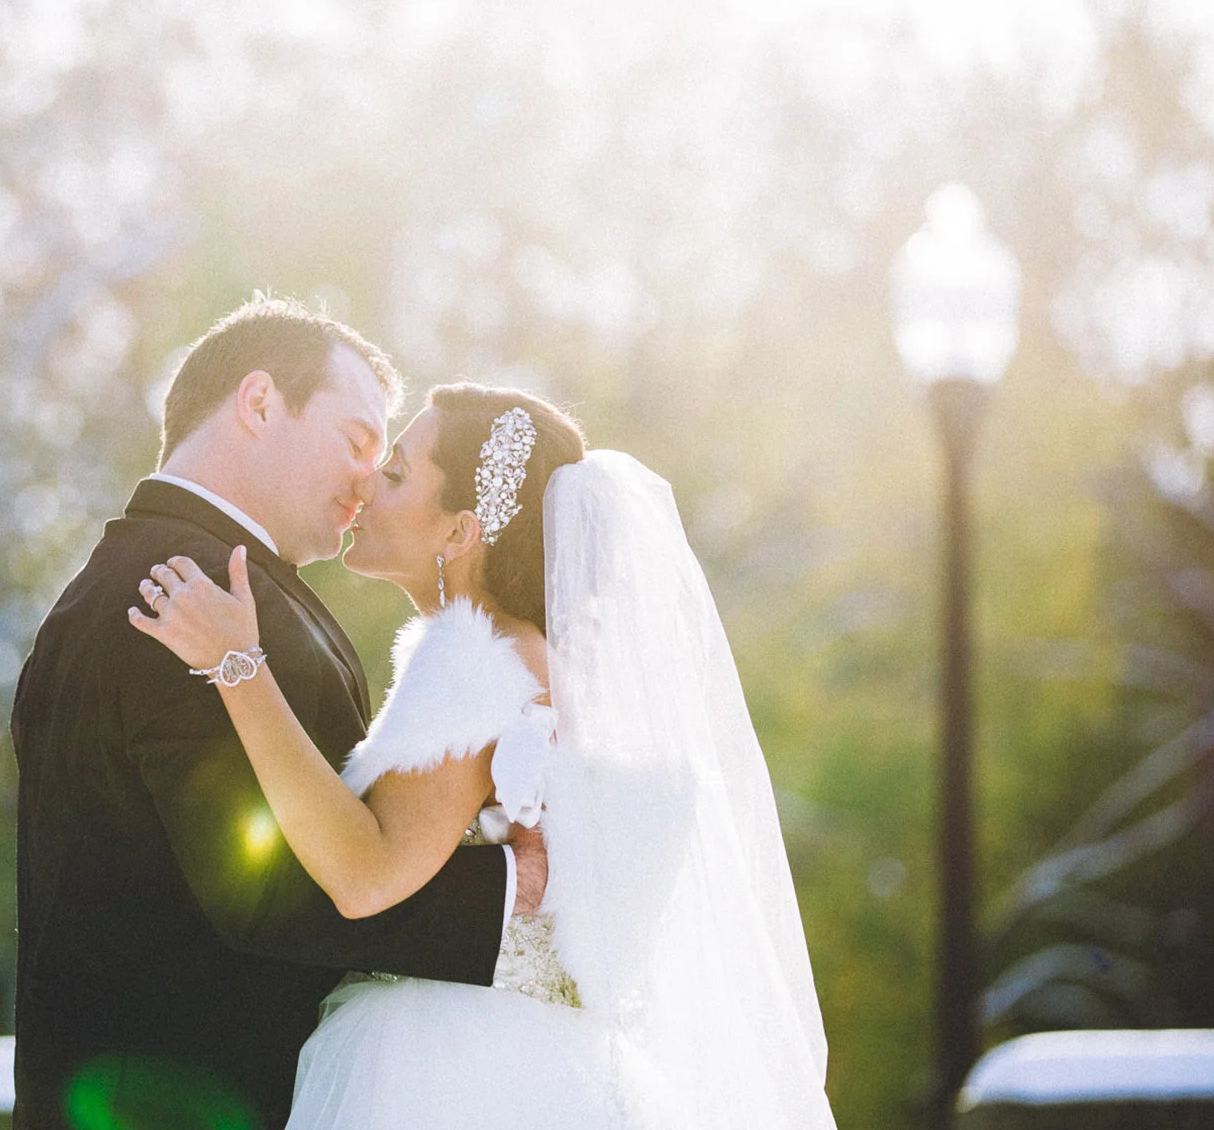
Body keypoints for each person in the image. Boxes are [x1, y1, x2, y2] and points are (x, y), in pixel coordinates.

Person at [133, 383, 838, 1129]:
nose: (367, 482)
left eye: (398, 473)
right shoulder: (561, 668)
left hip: (442, 1067)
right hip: (562, 1067)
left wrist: (238, 665)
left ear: (460, 532)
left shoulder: (472, 655)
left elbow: (364, 876)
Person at [9, 297, 546, 1130]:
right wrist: (517, 904)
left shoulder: (141, 578)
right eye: (358, 440)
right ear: (259, 404)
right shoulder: (189, 596)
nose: (370, 478)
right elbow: (265, 887)